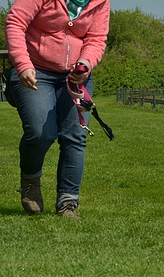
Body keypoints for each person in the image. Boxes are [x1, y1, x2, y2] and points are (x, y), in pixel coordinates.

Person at [5, 0, 110, 219]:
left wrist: (86, 63)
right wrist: (23, 64)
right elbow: (16, 22)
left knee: (75, 135)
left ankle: (67, 203)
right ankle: (30, 179)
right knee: (40, 132)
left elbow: (96, 38)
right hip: (35, 69)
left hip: (74, 75)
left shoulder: (100, 1)